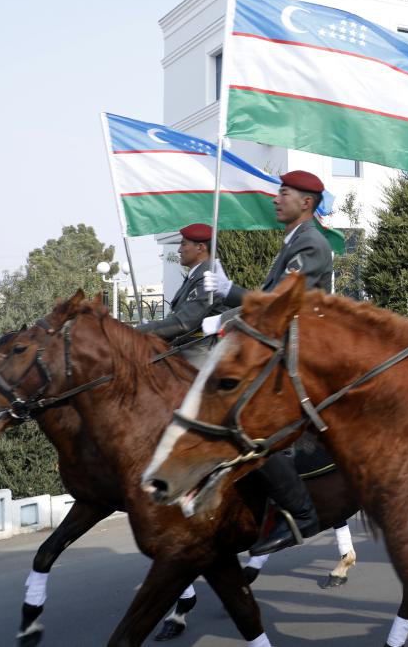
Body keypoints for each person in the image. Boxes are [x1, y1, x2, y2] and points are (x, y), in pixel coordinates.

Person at [203, 170, 334, 553]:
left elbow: (279, 303)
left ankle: (302, 512)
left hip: (300, 352)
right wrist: (229, 296)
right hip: (280, 346)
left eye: (284, 193)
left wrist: (226, 315)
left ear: (306, 203)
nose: (276, 199)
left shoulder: (311, 244)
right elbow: (266, 296)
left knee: (250, 422)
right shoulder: (293, 241)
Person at [137, 223, 226, 344]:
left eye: (183, 244)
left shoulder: (209, 278)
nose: (179, 250)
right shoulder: (196, 276)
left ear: (200, 247)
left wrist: (138, 332)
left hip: (201, 351)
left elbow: (183, 323)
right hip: (187, 347)